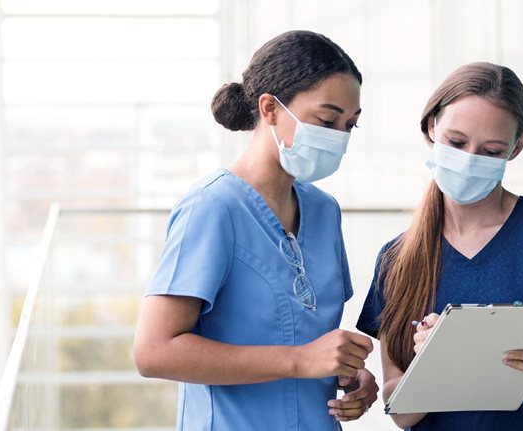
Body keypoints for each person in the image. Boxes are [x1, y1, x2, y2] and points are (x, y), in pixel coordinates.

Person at [356, 62, 523, 430]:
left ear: (518, 146)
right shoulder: (397, 259)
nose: (469, 161)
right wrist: (436, 363)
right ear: (432, 126)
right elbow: (400, 414)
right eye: (456, 142)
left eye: (491, 150)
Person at [133, 30, 378, 430]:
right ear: (269, 109)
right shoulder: (211, 208)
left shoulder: (324, 210)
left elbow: (316, 342)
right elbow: (154, 352)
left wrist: (350, 377)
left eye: (350, 124)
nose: (339, 137)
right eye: (327, 120)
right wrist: (299, 360)